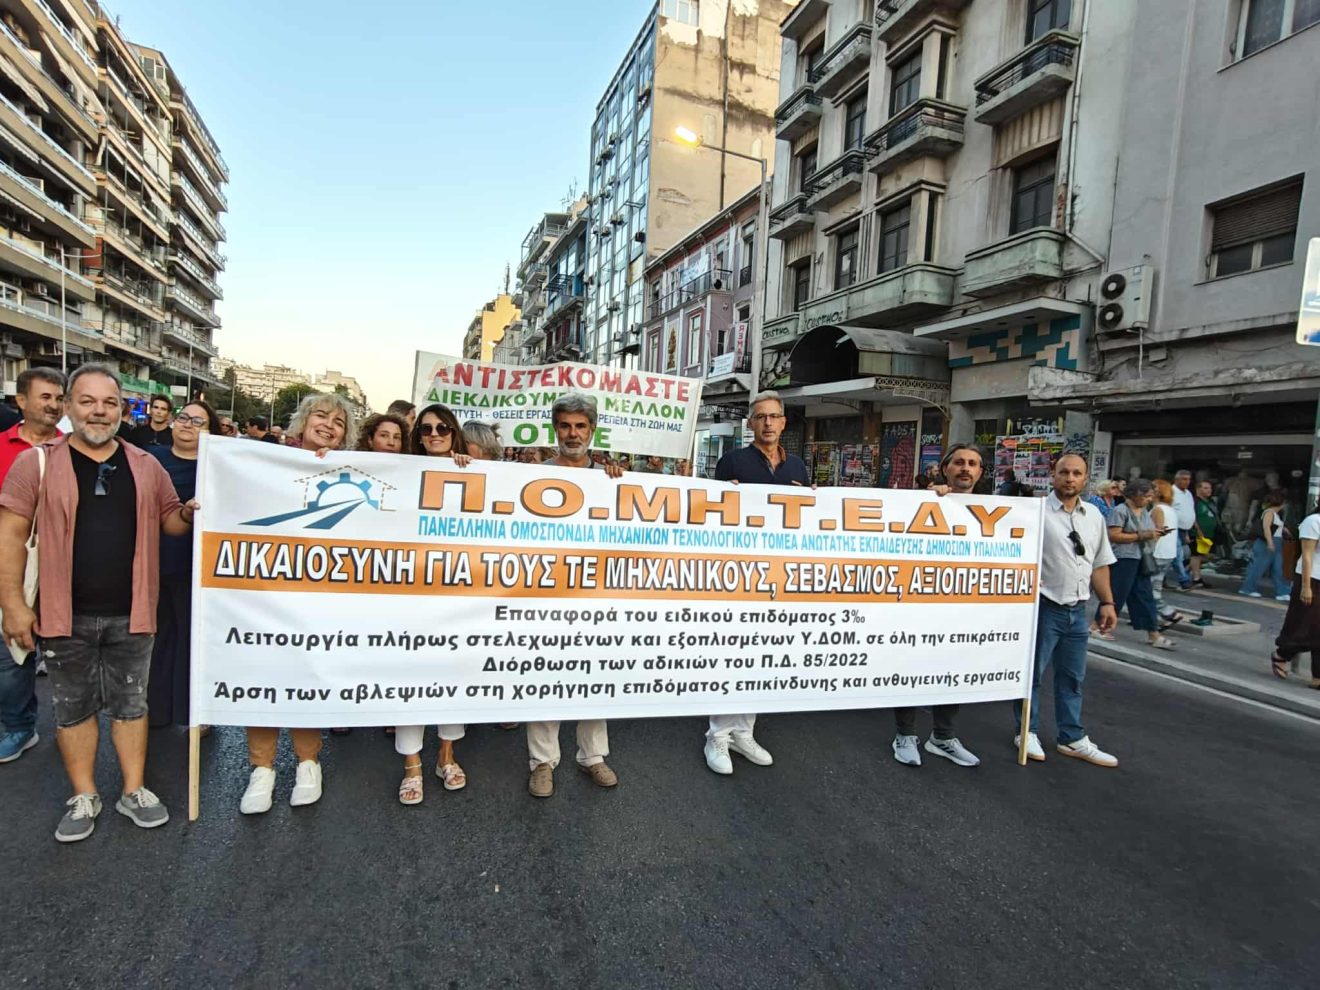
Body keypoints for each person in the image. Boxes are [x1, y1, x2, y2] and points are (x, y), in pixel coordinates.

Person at [0, 363, 198, 841]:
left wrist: (190, 514)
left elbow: (170, 520)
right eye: (87, 401)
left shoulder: (145, 465)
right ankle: (84, 795)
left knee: (132, 705)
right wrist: (13, 606)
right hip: (62, 615)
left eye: (109, 403)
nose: (98, 411)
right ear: (68, 406)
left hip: (134, 613)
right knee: (73, 709)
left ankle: (133, 790)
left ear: (121, 409)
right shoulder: (36, 463)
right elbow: (10, 535)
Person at [239, 392, 356, 815]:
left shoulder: (351, 472)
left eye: (338, 422)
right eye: (320, 416)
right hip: (267, 590)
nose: (328, 425)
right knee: (264, 674)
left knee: (307, 672)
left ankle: (309, 762)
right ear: (302, 422)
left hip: (320, 594)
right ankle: (262, 768)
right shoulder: (268, 464)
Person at [704, 391, 808, 776]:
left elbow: (806, 518)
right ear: (751, 423)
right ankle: (717, 735)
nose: (768, 423)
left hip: (777, 575)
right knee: (733, 654)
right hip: (738, 573)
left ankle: (744, 733)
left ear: (783, 422)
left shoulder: (797, 465)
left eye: (774, 416)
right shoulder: (732, 461)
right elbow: (713, 512)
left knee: (759, 657)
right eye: (761, 417)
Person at [526, 393, 624, 798]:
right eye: (565, 425)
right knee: (544, 677)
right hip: (546, 596)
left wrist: (620, 480)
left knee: (593, 675)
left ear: (592, 430)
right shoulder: (532, 476)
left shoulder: (611, 477)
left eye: (580, 426)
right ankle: (542, 762)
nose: (573, 433)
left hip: (596, 596)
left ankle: (592, 756)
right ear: (555, 429)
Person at [1017, 453, 1120, 768]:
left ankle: (1071, 737)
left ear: (1085, 478)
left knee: (1073, 677)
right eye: (1064, 472)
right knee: (1031, 676)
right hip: (1043, 606)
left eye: (1077, 473)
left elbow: (1099, 563)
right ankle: (1027, 732)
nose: (1070, 478)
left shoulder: (1094, 516)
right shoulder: (1034, 513)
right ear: (1053, 475)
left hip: (1078, 609)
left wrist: (1107, 602)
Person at [394, 403, 472, 803]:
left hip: (458, 594)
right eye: (426, 429)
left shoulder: (472, 473)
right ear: (417, 437)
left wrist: (471, 472)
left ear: (454, 432)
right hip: (410, 595)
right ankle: (411, 764)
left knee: (452, 674)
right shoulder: (399, 474)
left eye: (443, 428)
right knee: (411, 677)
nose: (435, 434)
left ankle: (446, 755)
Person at [892, 443, 986, 768]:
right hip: (922, 603)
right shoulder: (925, 502)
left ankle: (943, 737)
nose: (965, 468)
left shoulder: (994, 509)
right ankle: (904, 735)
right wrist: (927, 499)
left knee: (953, 670)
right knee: (912, 668)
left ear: (980, 472)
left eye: (972, 463)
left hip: (962, 607)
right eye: (959, 462)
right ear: (945, 468)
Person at [0, 368, 65, 764]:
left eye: (58, 398)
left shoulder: (75, 450)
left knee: (68, 658)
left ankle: (73, 728)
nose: (53, 405)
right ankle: (19, 726)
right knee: (12, 654)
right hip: (12, 566)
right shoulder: (2, 447)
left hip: (60, 569)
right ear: (21, 401)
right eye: (45, 397)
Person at [145, 400, 221, 729]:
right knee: (157, 638)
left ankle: (196, 711)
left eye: (198, 421)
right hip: (154, 561)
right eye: (184, 417)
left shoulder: (218, 468)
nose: (188, 424)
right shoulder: (150, 459)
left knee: (194, 640)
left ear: (210, 431)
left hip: (198, 566)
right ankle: (156, 708)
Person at [1105, 478, 1177, 651]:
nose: (1149, 500)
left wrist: (1156, 533)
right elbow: (1113, 535)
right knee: (1117, 594)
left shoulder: (1144, 512)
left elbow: (1147, 532)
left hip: (1140, 557)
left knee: (1145, 596)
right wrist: (1142, 535)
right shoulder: (1120, 510)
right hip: (1123, 557)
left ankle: (1153, 633)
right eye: (1147, 496)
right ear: (1136, 494)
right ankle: (1099, 626)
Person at [1271, 497, 1320, 686]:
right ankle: (1282, 654)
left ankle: (1317, 676)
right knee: (1303, 625)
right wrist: (1306, 587)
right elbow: (1307, 555)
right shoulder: (1313, 521)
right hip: (1311, 578)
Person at [1239, 488, 1290, 601]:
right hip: (1266, 542)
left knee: (1277, 568)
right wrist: (1270, 542)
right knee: (1258, 566)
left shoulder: (1276, 514)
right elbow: (1266, 528)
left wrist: (1283, 529)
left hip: (1276, 541)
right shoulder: (1269, 512)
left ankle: (1282, 591)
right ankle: (1248, 588)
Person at [1149, 480, 1184, 628]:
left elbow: (1157, 532)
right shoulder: (1170, 510)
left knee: (1150, 588)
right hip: (1168, 552)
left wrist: (1148, 549)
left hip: (1157, 552)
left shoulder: (1158, 509)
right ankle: (1155, 617)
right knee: (1154, 586)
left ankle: (1167, 612)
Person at [1170, 469, 1197, 589]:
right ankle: (1184, 580)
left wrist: (1187, 531)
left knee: (1181, 555)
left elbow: (1189, 510)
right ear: (1177, 479)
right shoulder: (1171, 492)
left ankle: (1162, 579)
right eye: (1184, 479)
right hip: (1172, 528)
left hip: (1183, 529)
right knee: (1178, 555)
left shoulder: (1188, 493)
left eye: (1189, 479)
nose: (1187, 482)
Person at [1191, 479, 1219, 583]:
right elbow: (1192, 517)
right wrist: (1198, 530)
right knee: (1196, 555)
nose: (1209, 490)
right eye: (1206, 488)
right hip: (1198, 533)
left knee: (1205, 555)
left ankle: (1187, 571)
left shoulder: (1211, 502)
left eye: (1210, 488)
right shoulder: (1195, 501)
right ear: (1198, 489)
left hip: (1210, 533)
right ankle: (1196, 577)